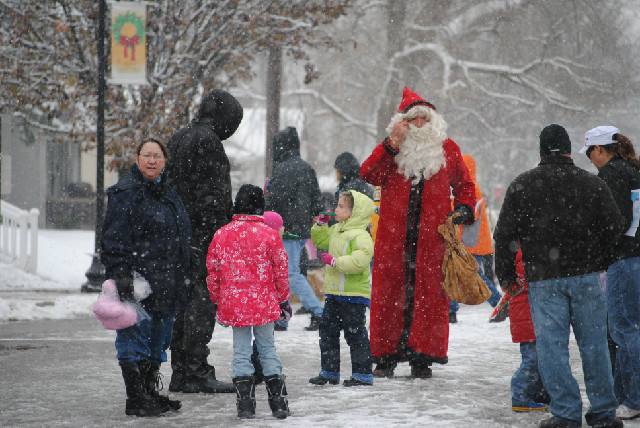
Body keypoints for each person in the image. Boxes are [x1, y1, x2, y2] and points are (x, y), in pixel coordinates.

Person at [493, 124, 625, 428]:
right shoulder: (591, 184)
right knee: (594, 347)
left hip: (543, 280)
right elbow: (615, 228)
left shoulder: (523, 184)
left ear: (541, 151)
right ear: (568, 149)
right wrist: (597, 258)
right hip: (586, 277)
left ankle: (566, 413)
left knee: (552, 349)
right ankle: (604, 412)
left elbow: (504, 236)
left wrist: (507, 276)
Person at [360, 87, 476, 379]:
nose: (420, 125)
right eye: (414, 120)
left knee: (429, 297)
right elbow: (369, 174)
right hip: (393, 240)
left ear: (433, 122)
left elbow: (465, 184)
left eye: (425, 119)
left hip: (431, 241)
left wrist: (463, 208)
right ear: (403, 123)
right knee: (389, 296)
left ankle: (422, 357)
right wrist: (391, 143)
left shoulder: (448, 150)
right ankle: (385, 357)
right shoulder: (392, 149)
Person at [101, 138, 191, 416]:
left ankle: (150, 393)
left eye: (157, 156)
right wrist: (122, 275)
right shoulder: (125, 193)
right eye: (146, 155)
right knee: (133, 341)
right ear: (137, 158)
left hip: (167, 283)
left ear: (165, 161)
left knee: (158, 342)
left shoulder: (168, 192)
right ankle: (136, 399)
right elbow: (113, 239)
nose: (152, 160)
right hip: (137, 283)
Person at [166, 89, 242, 394]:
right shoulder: (208, 143)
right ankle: (196, 370)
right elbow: (214, 196)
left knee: (182, 303)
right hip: (202, 236)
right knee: (201, 301)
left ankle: (181, 370)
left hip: (179, 234)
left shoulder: (180, 136)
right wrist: (219, 235)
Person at [206, 185, 292, 419]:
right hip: (264, 302)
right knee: (267, 349)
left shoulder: (222, 234)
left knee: (241, 352)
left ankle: (245, 403)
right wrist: (283, 300)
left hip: (235, 304)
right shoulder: (269, 235)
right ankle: (278, 402)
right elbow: (281, 271)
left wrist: (217, 298)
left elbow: (213, 271)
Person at [582, 126, 640, 421]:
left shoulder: (611, 175)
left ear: (600, 150)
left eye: (590, 152)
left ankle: (634, 398)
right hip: (636, 256)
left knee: (623, 330)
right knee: (630, 329)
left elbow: (615, 221)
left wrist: (596, 246)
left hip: (623, 260)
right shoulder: (633, 170)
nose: (590, 159)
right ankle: (623, 394)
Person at [308, 190, 376, 387]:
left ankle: (363, 374)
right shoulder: (336, 230)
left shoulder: (361, 235)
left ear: (354, 212)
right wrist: (320, 225)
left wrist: (336, 261)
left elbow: (360, 261)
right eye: (337, 205)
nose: (335, 209)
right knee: (327, 332)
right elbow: (320, 241)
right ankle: (329, 371)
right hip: (334, 294)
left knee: (356, 335)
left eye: (341, 206)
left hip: (354, 296)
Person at [265, 126, 324, 331]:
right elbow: (317, 197)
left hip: (286, 229)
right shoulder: (306, 167)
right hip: (301, 228)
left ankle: (317, 312)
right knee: (286, 273)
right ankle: (281, 317)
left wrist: (264, 212)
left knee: (288, 274)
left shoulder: (282, 169)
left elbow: (275, 199)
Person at [449, 154, 504, 324]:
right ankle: (451, 311)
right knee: (462, 275)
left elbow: (464, 214)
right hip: (473, 241)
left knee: (471, 276)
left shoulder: (469, 188)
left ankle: (499, 303)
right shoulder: (471, 187)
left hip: (469, 242)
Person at [509, 249, 550, 413]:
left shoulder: (521, 255)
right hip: (528, 320)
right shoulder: (526, 258)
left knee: (538, 360)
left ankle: (535, 394)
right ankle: (520, 396)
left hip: (528, 319)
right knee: (532, 361)